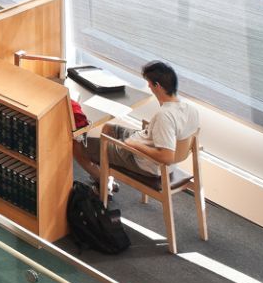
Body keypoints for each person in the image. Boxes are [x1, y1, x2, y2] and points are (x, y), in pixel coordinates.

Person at [74, 60, 201, 191]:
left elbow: (166, 157)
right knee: (109, 127)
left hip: (143, 162)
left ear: (157, 86)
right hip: (148, 142)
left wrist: (135, 145)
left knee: (77, 146)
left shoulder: (165, 116)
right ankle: (104, 172)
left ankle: (103, 182)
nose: (149, 86)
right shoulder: (191, 109)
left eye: (150, 83)